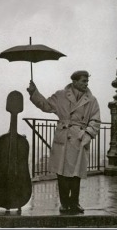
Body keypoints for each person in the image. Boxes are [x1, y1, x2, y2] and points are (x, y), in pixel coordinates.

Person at [27, 70, 101, 214]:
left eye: (87, 81)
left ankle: (74, 203)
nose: (86, 84)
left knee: (76, 173)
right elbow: (46, 106)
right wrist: (34, 92)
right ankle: (64, 203)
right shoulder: (61, 95)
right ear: (74, 81)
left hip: (79, 139)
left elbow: (96, 120)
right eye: (83, 81)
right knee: (61, 173)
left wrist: (87, 134)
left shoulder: (92, 100)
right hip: (63, 137)